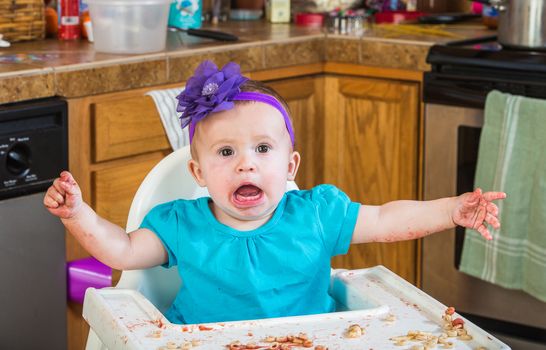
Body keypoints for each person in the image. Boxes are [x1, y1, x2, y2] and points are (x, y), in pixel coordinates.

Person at [44, 60, 506, 325]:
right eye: (225, 152)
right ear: (198, 172)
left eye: (262, 148)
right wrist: (78, 215)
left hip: (311, 338)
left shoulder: (318, 214)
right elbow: (122, 251)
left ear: (289, 166)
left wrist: (451, 211)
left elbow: (386, 221)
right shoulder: (181, 224)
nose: (246, 162)